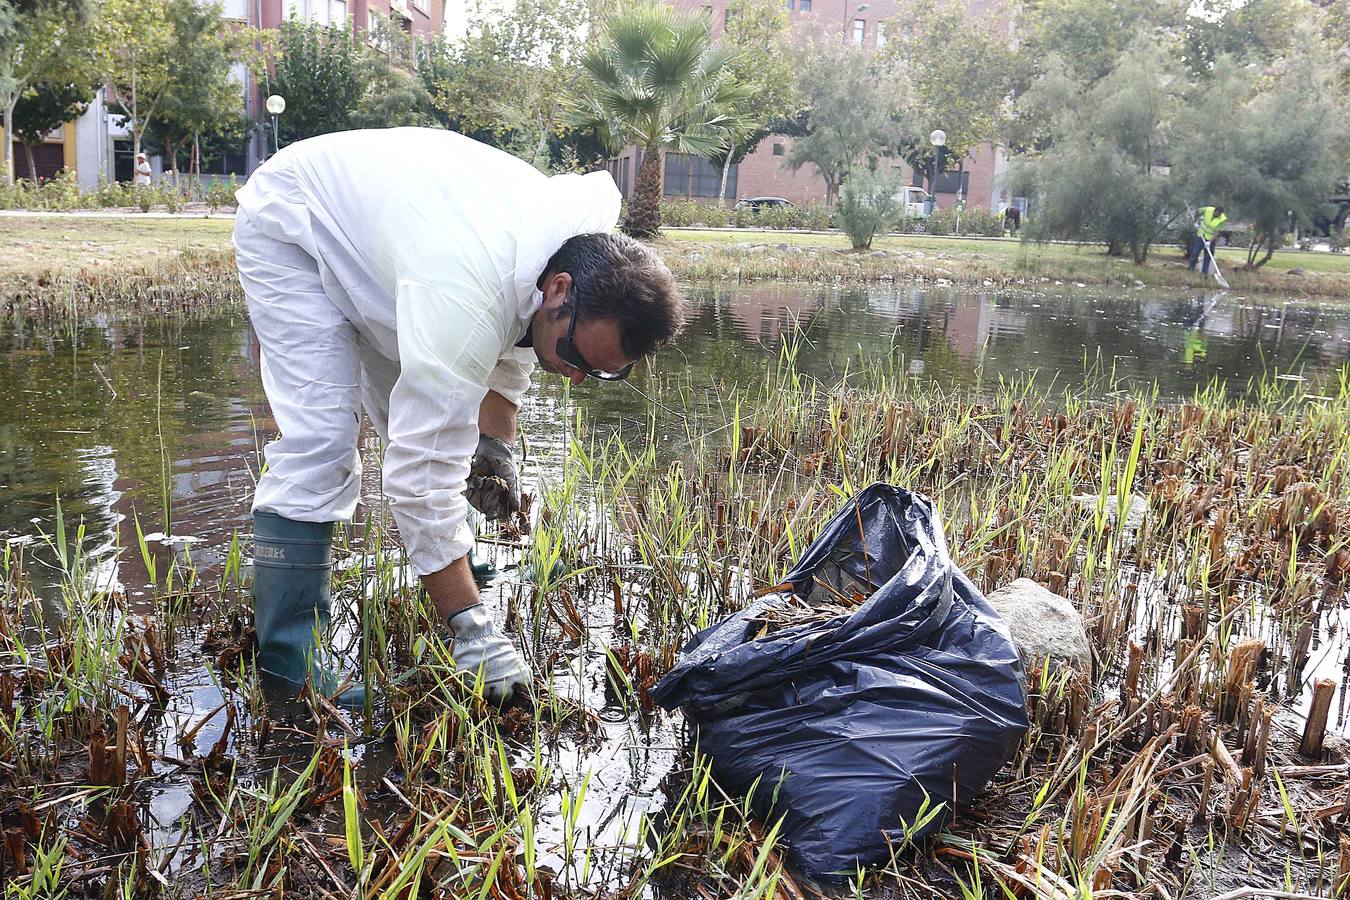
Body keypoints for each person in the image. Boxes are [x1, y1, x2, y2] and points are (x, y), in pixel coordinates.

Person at [232, 128, 684, 707]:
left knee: (421, 424)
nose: (573, 377)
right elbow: (418, 479)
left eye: (597, 373)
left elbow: (515, 344)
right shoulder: (469, 294)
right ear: (560, 290)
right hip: (299, 223)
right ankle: (290, 665)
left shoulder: (568, 258)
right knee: (324, 442)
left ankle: (448, 561)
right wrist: (473, 630)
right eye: (575, 357)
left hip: (400, 240)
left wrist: (495, 447)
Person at [1188, 204, 1227, 274]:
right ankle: (1190, 269)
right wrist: (1196, 221)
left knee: (1208, 255)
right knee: (1195, 252)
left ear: (1220, 214)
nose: (1217, 215)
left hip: (1210, 238)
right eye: (1216, 213)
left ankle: (1204, 272)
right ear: (1214, 211)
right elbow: (1198, 211)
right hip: (1200, 234)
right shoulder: (1208, 209)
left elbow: (1216, 232)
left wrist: (1210, 242)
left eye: (1218, 214)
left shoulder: (1222, 219)